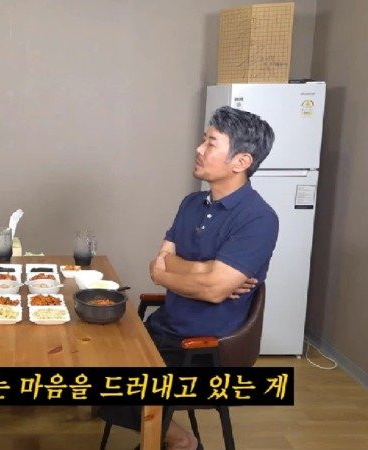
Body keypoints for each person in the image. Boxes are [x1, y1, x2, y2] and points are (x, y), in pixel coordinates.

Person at [100, 106, 278, 450]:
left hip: (207, 350)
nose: (199, 149)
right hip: (166, 329)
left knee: (119, 380)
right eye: (203, 140)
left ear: (241, 161)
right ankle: (173, 438)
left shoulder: (259, 218)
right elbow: (159, 265)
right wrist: (203, 270)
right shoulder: (192, 203)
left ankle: (181, 441)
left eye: (211, 143)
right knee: (98, 355)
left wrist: (180, 272)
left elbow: (212, 290)